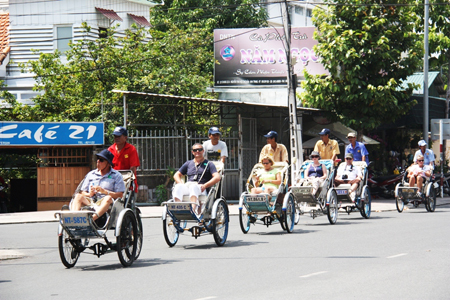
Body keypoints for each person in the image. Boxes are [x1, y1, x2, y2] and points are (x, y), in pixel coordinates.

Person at [69, 149, 126, 222]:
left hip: (106, 202)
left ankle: (92, 219)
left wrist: (105, 191)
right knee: (78, 196)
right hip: (92, 200)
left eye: (101, 160)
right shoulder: (91, 174)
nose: (98, 161)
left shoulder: (116, 176)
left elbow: (120, 195)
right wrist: (90, 194)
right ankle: (74, 219)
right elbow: (82, 192)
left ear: (108, 163)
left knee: (108, 198)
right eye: (98, 159)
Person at [173, 143, 221, 215]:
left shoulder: (209, 164)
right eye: (195, 150)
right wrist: (180, 183)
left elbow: (217, 177)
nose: (197, 151)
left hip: (201, 188)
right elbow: (176, 174)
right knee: (177, 187)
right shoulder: (188, 163)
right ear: (192, 152)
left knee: (194, 187)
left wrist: (205, 185)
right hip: (189, 187)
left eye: (200, 149)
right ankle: (179, 209)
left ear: (203, 151)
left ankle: (193, 210)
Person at [108, 126, 140, 192]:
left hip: (127, 182)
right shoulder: (110, 150)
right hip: (113, 182)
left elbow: (133, 168)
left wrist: (127, 181)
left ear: (125, 137)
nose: (116, 138)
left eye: (119, 136)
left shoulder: (131, 149)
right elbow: (107, 167)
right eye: (115, 136)